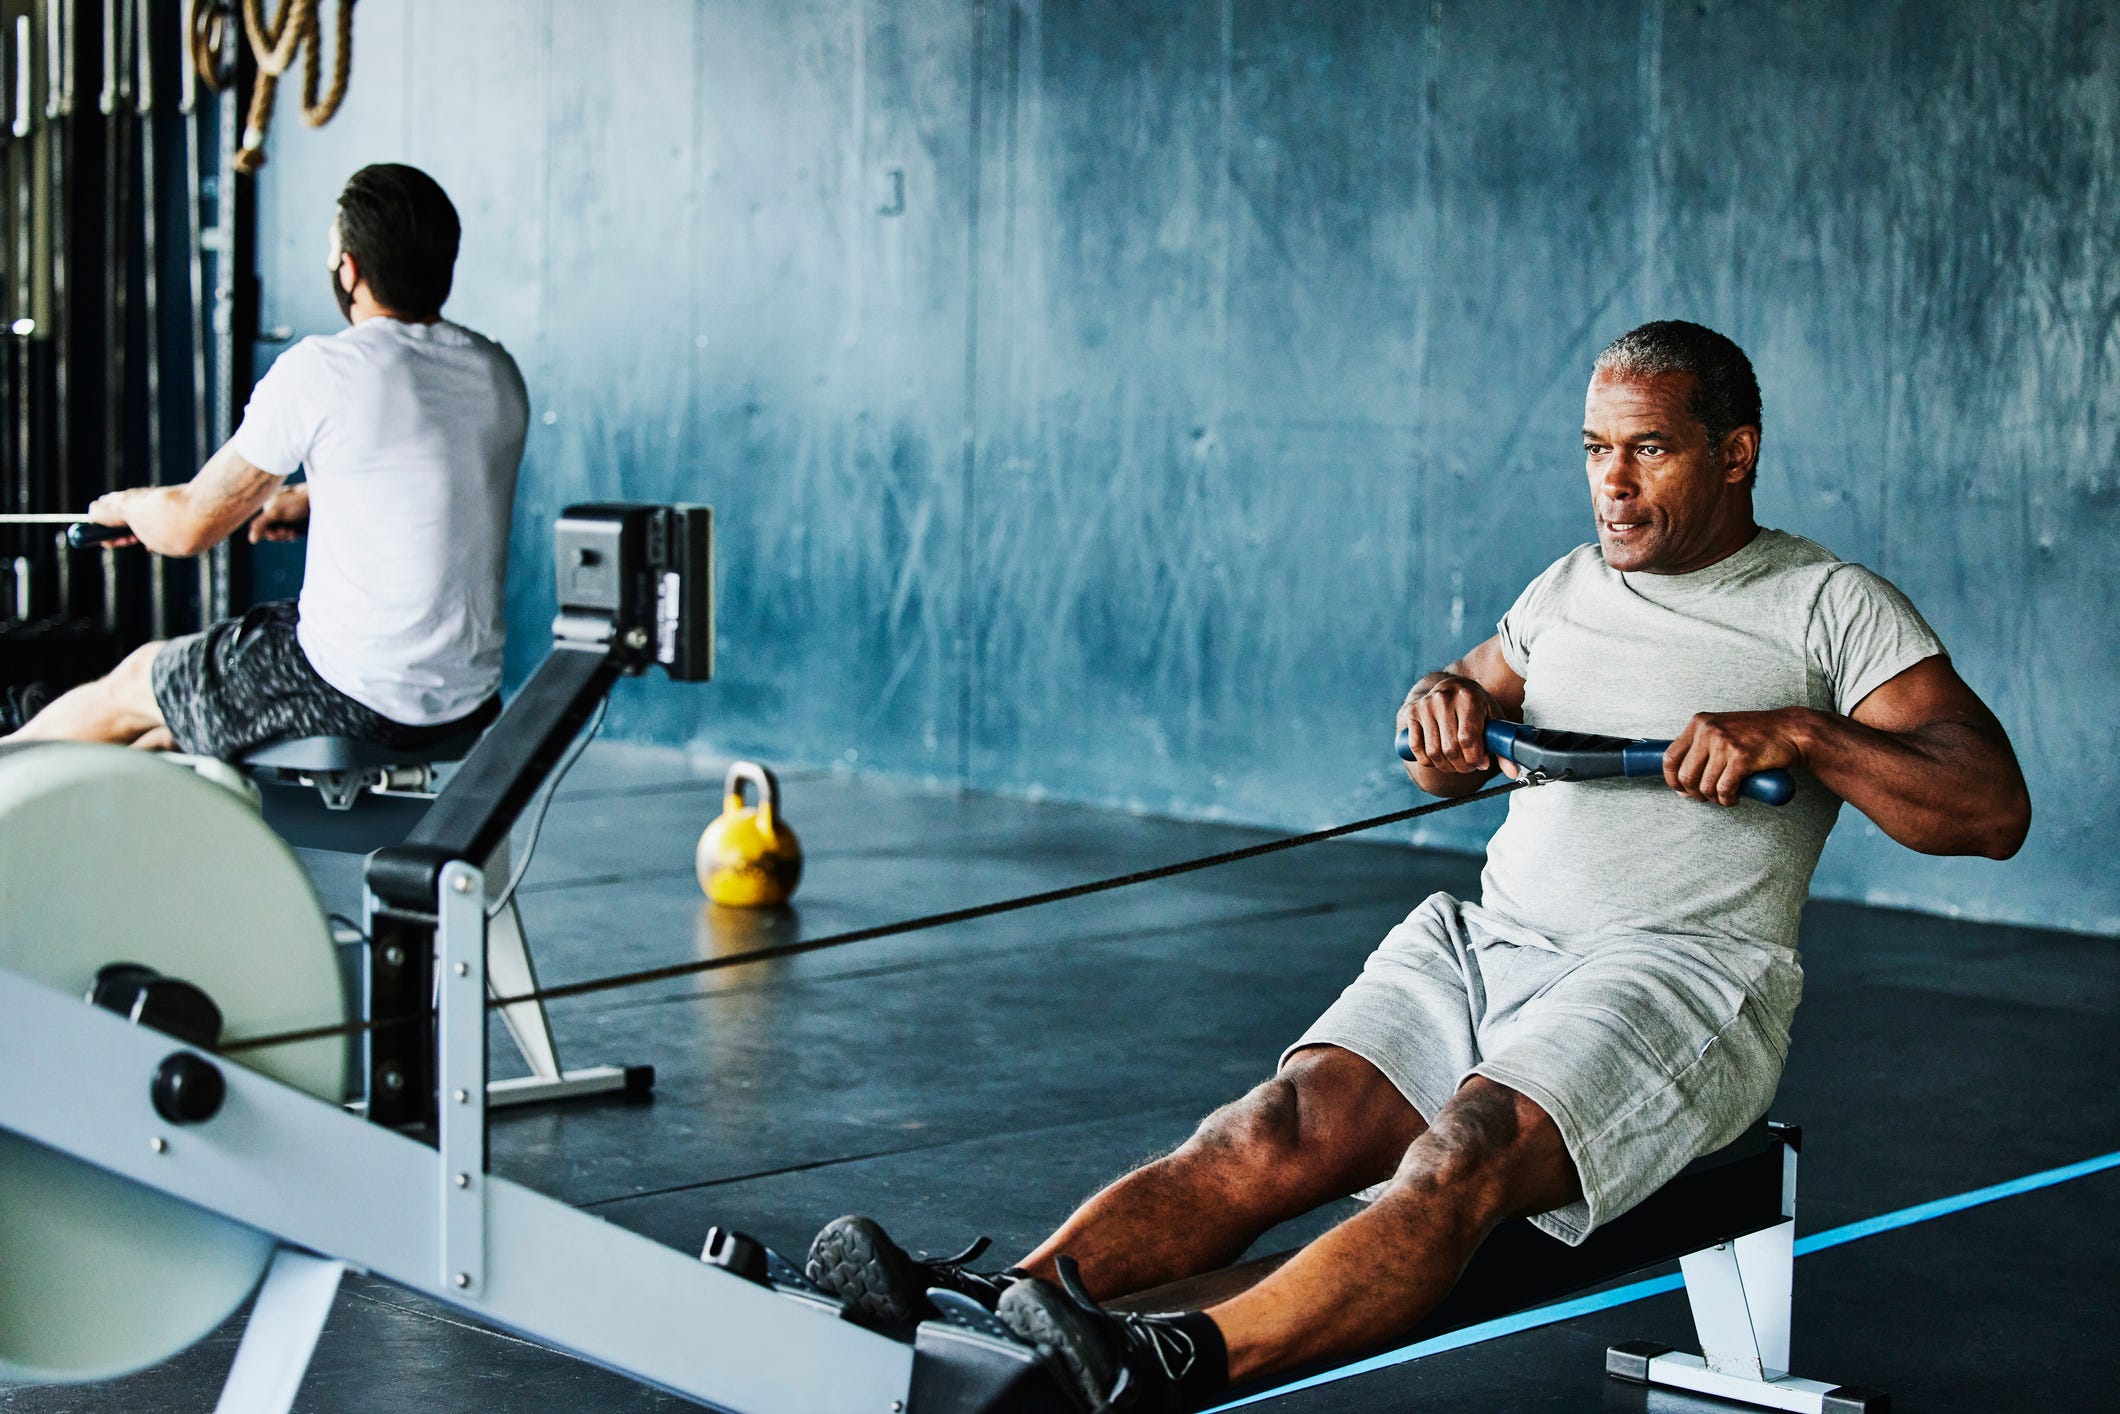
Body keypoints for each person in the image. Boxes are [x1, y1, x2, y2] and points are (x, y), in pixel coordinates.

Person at [799, 320, 2033, 1410]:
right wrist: (1439, 707)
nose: (1611, 480)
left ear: (1733, 452)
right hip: (1488, 944)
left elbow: (1988, 811)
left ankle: (1171, 1362)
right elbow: (1441, 744)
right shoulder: (1563, 587)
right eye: (1593, 447)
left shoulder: (1827, 605)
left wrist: (1804, 731)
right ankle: (986, 1304)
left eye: (1645, 447)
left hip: (1674, 972)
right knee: (1268, 1129)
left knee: (1459, 1152)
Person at [2, 164, 527, 760]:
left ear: (349, 271)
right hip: (466, 695)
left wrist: (128, 505)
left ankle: (12, 765)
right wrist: (308, 499)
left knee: (136, 679)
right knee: (174, 719)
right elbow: (436, 481)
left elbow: (188, 525)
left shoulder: (328, 368)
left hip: (351, 690)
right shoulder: (494, 371)